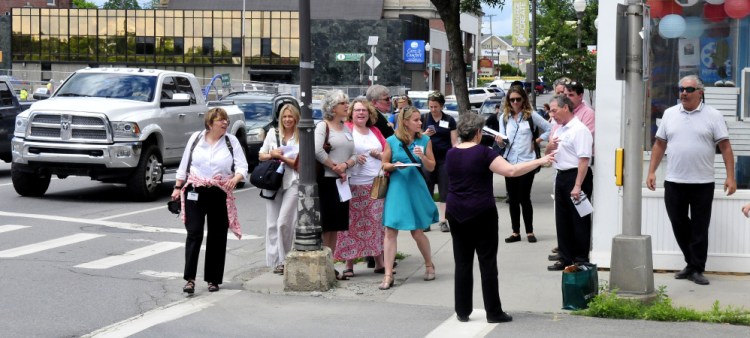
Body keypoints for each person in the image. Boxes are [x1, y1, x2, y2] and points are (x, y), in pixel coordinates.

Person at [446, 113, 554, 323]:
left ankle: (462, 310)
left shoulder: (451, 154)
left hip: (456, 212)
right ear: (478, 133)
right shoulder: (484, 153)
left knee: (462, 263)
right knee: (487, 263)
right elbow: (511, 171)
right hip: (481, 212)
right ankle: (493, 312)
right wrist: (540, 160)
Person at [646, 75, 736, 286]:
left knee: (699, 227)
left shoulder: (714, 116)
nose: (684, 93)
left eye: (689, 89)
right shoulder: (670, 114)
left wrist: (730, 177)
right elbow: (659, 145)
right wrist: (651, 172)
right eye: (681, 89)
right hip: (674, 180)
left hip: (702, 182)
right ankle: (691, 262)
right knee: (678, 223)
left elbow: (725, 147)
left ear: (700, 92)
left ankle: (696, 268)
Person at [172, 107, 248, 293]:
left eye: (226, 120)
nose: (224, 123)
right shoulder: (196, 139)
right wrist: (177, 187)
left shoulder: (231, 141)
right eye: (220, 120)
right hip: (195, 190)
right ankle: (189, 278)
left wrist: (235, 179)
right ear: (209, 123)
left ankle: (213, 279)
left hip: (218, 191)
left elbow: (242, 166)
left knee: (217, 235)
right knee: (194, 232)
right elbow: (184, 164)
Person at [380, 106, 438, 290]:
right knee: (390, 230)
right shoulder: (391, 140)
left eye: (420, 120)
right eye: (415, 120)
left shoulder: (425, 140)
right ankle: (388, 274)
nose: (420, 123)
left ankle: (429, 264)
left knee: (417, 231)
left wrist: (423, 158)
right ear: (405, 122)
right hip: (398, 187)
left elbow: (431, 167)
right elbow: (384, 164)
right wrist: (394, 165)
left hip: (416, 186)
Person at [335, 98, 387, 277]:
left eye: (364, 110)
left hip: (376, 182)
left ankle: (379, 262)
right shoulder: (346, 129)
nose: (361, 113)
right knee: (351, 224)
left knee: (375, 223)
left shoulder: (375, 130)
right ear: (351, 112)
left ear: (370, 113)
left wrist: (379, 155)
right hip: (353, 183)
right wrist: (353, 158)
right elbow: (338, 151)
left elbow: (387, 154)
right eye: (357, 110)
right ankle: (349, 264)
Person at [496, 87, 551, 244]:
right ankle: (515, 232)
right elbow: (502, 139)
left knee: (524, 197)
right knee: (512, 198)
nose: (515, 103)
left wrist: (538, 141)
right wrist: (500, 142)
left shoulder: (531, 116)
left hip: (527, 162)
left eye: (518, 99)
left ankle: (529, 231)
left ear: (523, 100)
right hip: (510, 162)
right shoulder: (504, 118)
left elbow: (549, 128)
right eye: (512, 100)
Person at [546, 95, 593, 271]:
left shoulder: (579, 130)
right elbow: (549, 152)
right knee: (562, 219)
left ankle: (580, 258)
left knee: (579, 219)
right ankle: (565, 258)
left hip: (576, 176)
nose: (552, 115)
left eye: (554, 110)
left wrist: (578, 185)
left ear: (565, 108)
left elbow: (583, 160)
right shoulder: (559, 129)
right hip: (561, 175)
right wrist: (549, 146)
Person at [315, 90, 357, 280]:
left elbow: (354, 154)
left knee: (336, 226)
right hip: (327, 180)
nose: (346, 106)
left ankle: (329, 264)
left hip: (342, 181)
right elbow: (317, 150)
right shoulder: (323, 126)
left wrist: (346, 166)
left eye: (347, 102)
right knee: (327, 226)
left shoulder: (345, 127)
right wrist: (336, 168)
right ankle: (322, 265)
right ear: (332, 107)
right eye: (343, 103)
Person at [258, 103, 300, 275]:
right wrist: (272, 155)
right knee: (272, 224)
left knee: (284, 222)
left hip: (293, 181)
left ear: (296, 117)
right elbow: (261, 155)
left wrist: (282, 157)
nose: (288, 119)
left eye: (290, 116)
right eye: (284, 116)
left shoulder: (301, 135)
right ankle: (276, 261)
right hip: (273, 181)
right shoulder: (272, 133)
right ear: (280, 118)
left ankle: (285, 259)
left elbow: (300, 162)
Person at [421, 91, 457, 232]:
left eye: (436, 106)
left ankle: (443, 220)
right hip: (428, 158)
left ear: (441, 106)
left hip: (444, 159)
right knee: (427, 189)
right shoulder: (424, 119)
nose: (433, 110)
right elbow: (415, 137)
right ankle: (427, 220)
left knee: (444, 190)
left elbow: (454, 141)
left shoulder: (449, 120)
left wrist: (455, 157)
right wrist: (424, 134)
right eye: (431, 106)